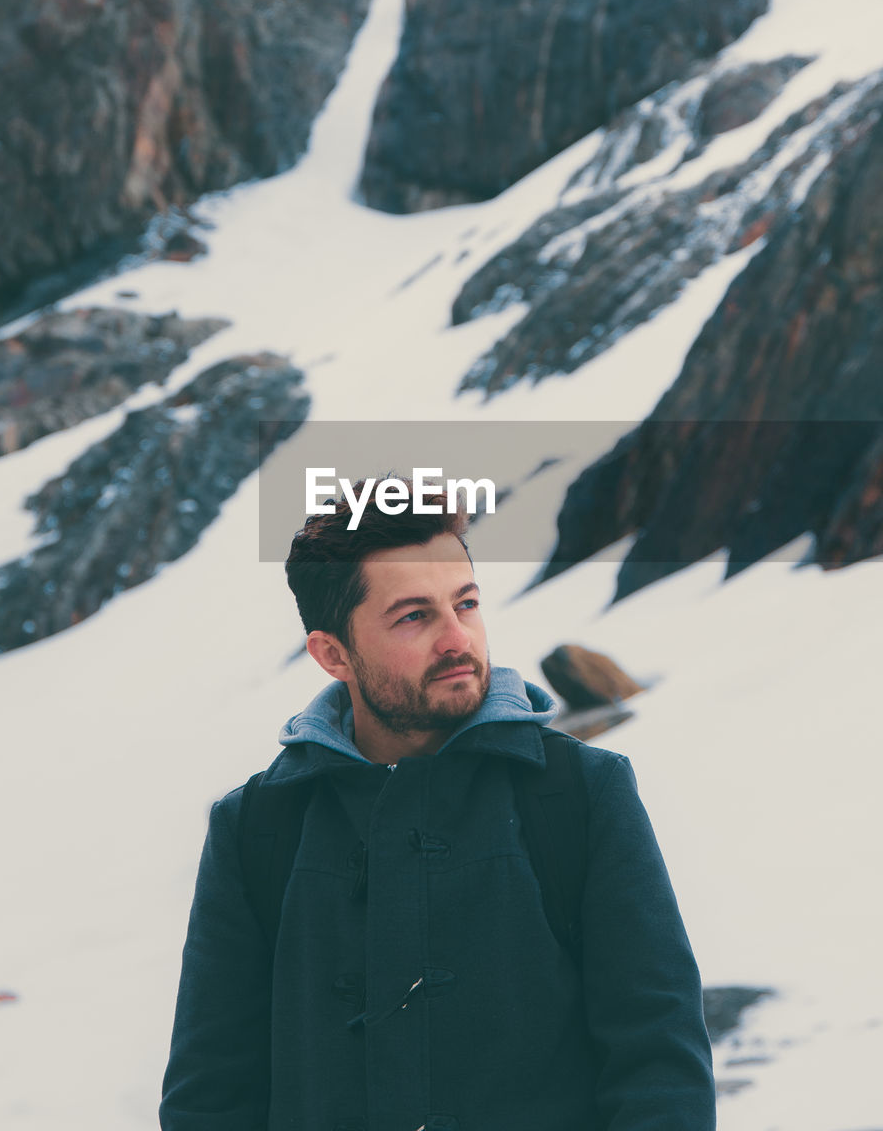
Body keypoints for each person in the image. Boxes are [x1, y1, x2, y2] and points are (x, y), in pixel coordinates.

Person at [160, 480, 716, 1131]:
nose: (457, 639)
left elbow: (659, 1063)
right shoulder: (257, 826)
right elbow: (211, 1096)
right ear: (333, 653)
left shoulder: (579, 793)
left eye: (467, 604)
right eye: (414, 616)